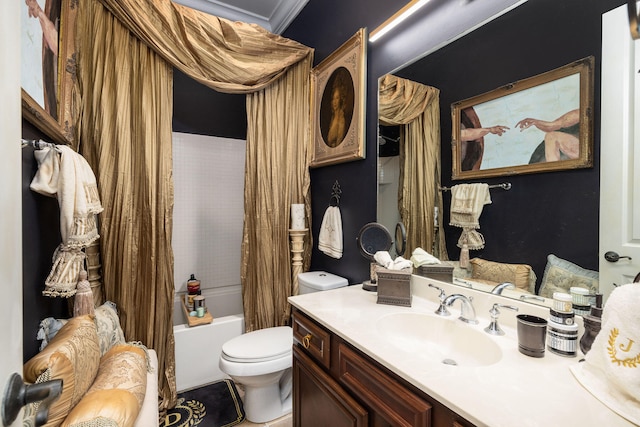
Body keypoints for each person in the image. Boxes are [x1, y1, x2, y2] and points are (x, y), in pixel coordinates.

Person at [515, 109, 580, 162]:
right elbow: (555, 124)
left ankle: (554, 173)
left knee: (551, 136)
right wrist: (535, 122)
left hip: (585, 151)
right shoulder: (580, 112)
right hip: (578, 149)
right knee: (551, 136)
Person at [326, 82, 347, 147]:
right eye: (333, 98)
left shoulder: (341, 119)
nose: (334, 101)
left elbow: (339, 142)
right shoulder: (332, 118)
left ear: (340, 99)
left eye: (337, 98)